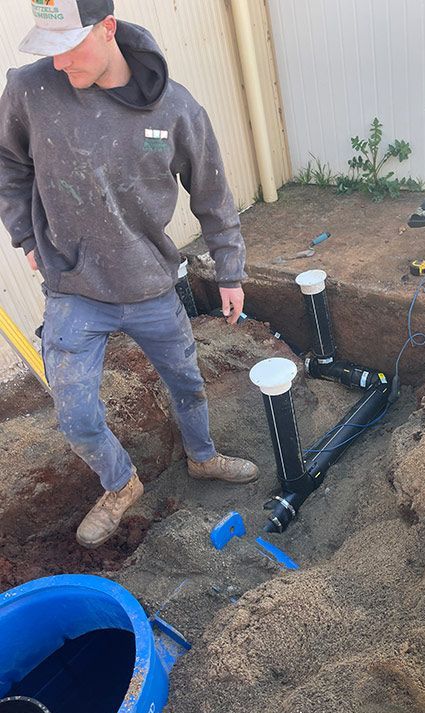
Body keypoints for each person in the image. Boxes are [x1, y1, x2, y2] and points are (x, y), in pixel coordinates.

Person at [0, 0, 259, 549]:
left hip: (150, 284)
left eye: (68, 47)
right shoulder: (30, 90)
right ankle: (120, 484)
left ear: (107, 29)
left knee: (186, 382)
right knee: (75, 415)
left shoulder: (174, 109)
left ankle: (203, 457)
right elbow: (10, 165)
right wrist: (26, 235)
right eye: (47, 49)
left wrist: (230, 271)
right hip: (74, 287)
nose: (58, 63)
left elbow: (213, 194)